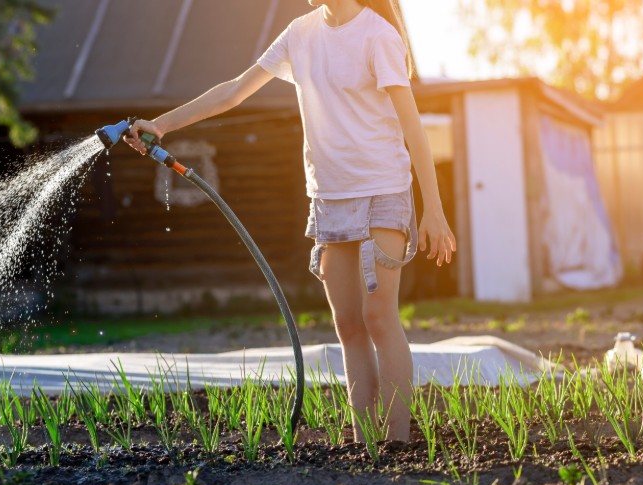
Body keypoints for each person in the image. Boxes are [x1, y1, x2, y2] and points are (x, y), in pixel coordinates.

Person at [125, 0, 455, 442]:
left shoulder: (378, 36)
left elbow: (413, 128)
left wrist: (432, 208)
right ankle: (364, 442)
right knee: (348, 325)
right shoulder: (300, 33)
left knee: (378, 317)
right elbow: (234, 90)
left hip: (383, 191)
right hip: (329, 197)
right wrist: (161, 126)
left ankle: (398, 441)